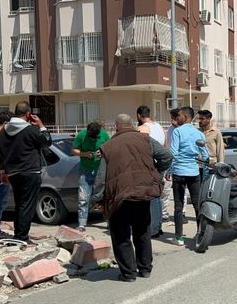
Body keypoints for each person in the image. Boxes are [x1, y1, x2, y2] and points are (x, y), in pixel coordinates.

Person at [91, 114, 172, 282]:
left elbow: (101, 176)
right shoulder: (145, 140)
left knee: (121, 234)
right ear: (132, 125)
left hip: (118, 195)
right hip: (143, 193)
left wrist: (97, 199)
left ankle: (128, 273)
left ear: (116, 127)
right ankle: (145, 269)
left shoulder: (108, 146)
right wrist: (155, 172)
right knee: (142, 230)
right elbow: (167, 156)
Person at [0, 102, 52, 243]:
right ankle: (22, 236)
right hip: (30, 172)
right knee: (27, 205)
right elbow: (47, 141)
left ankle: (18, 234)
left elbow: (0, 155)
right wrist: (41, 125)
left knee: (20, 203)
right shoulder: (30, 130)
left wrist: (3, 172)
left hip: (13, 173)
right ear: (28, 114)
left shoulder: (3, 131)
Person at [168, 106, 208, 246]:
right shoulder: (199, 133)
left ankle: (179, 237)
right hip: (194, 172)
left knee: (178, 205)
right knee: (197, 204)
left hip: (179, 172)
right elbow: (205, 155)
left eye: (178, 115)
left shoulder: (177, 132)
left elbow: (173, 154)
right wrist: (206, 172)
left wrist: (168, 171)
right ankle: (200, 233)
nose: (176, 118)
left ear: (185, 117)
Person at [71, 121, 110, 231]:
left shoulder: (104, 134)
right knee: (83, 198)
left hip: (100, 171)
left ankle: (108, 221)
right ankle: (82, 224)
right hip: (85, 170)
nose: (93, 139)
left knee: (104, 197)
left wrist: (102, 153)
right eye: (91, 137)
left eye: (95, 137)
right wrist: (84, 154)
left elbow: (110, 148)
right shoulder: (82, 135)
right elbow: (73, 150)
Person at [136, 105, 167, 238]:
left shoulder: (142, 129)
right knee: (157, 196)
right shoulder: (159, 127)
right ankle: (158, 226)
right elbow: (165, 147)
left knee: (151, 198)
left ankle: (153, 228)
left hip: (149, 166)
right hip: (159, 165)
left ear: (138, 116)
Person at [197, 109, 225, 179]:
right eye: (199, 119)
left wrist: (220, 164)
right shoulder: (197, 132)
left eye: (202, 119)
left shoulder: (216, 132)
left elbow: (220, 149)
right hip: (198, 165)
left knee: (209, 186)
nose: (200, 121)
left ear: (208, 119)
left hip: (211, 164)